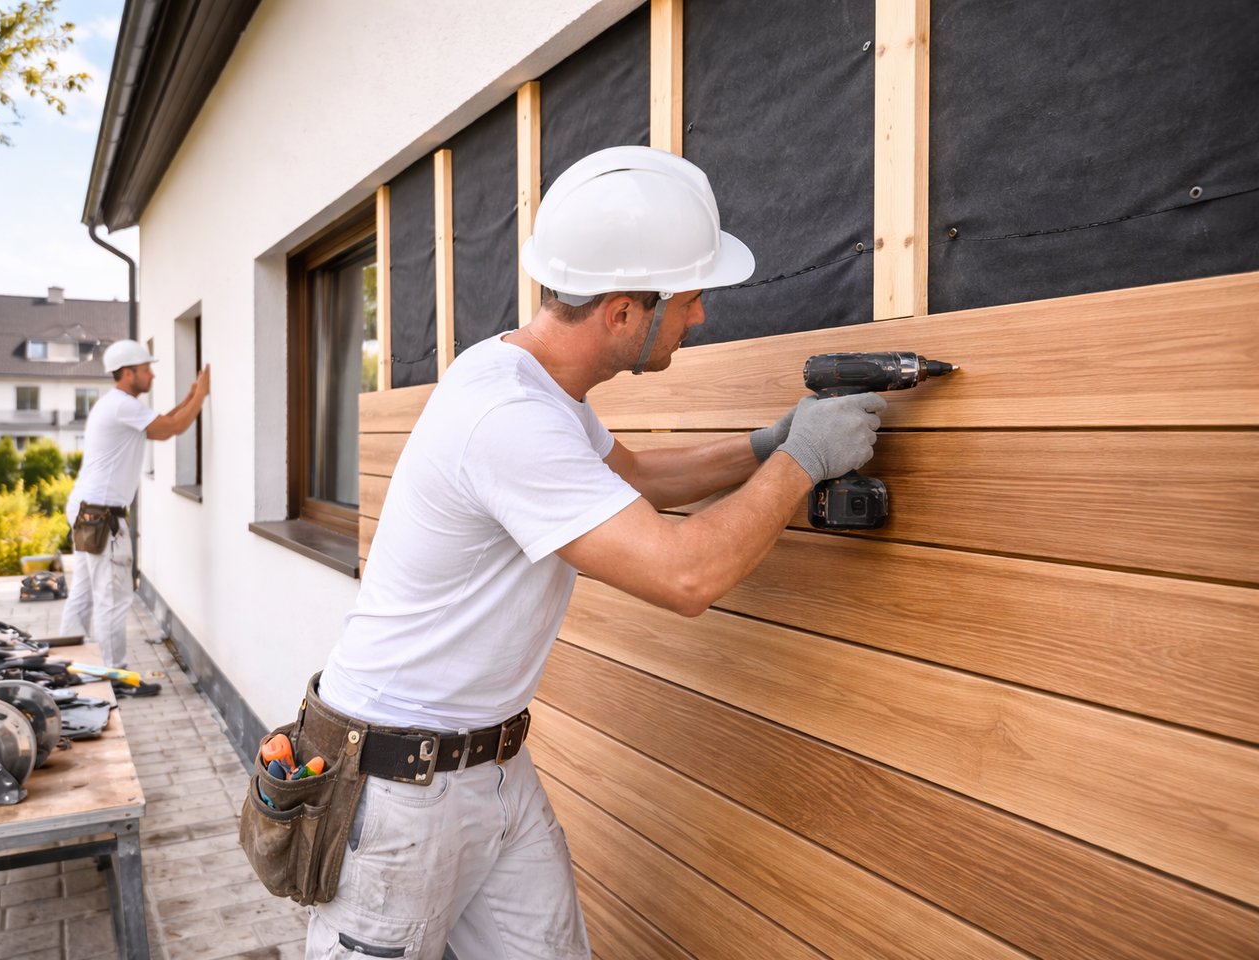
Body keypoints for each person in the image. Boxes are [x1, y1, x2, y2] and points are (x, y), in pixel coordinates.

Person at [305, 146, 886, 959]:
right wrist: (803, 465)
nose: (700, 318)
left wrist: (764, 445)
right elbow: (684, 574)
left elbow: (638, 478)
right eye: (687, 301)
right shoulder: (509, 417)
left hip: (492, 763)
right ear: (622, 312)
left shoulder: (527, 379)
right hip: (399, 789)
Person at [59, 339, 210, 669]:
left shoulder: (116, 405)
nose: (152, 376)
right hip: (102, 515)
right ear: (128, 373)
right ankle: (115, 676)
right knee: (112, 597)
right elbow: (172, 428)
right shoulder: (122, 405)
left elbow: (159, 425)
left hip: (87, 507)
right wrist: (202, 394)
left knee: (84, 591)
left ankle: (67, 663)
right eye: (146, 370)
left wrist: (189, 397)